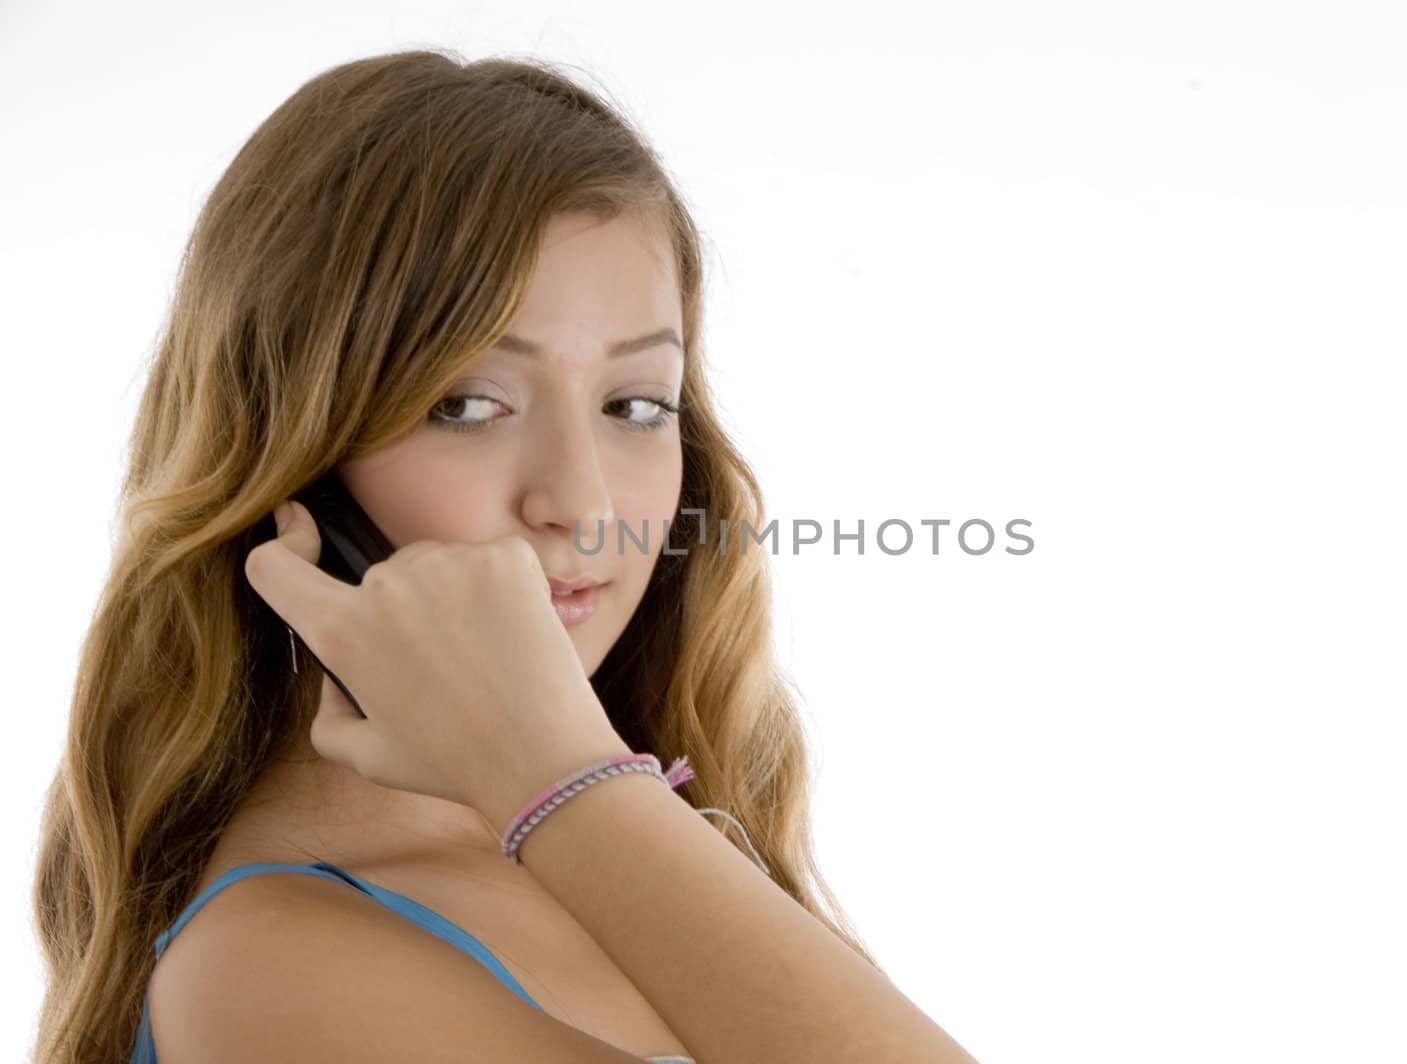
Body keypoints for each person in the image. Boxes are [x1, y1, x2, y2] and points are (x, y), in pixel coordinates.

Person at [28, 48, 978, 1064]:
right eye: (467, 404)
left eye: (636, 405)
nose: (580, 502)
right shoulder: (278, 966)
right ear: (290, 466)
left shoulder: (624, 832)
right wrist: (556, 768)